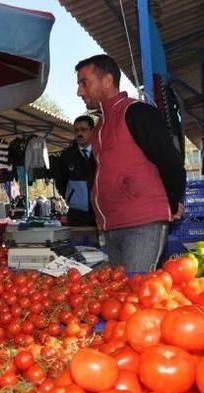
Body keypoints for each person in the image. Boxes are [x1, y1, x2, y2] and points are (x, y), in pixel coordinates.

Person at [75, 54, 186, 272]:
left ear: (107, 80)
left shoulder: (136, 112)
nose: (79, 91)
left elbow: (171, 162)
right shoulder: (99, 127)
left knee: (136, 291)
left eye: (84, 83)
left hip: (143, 225)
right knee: (122, 295)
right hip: (112, 226)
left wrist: (170, 205)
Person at [55, 115, 97, 226]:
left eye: (83, 130)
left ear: (92, 131)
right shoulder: (66, 156)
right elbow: (60, 180)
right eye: (76, 130)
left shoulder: (102, 152)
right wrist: (72, 198)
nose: (79, 133)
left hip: (102, 211)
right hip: (77, 214)